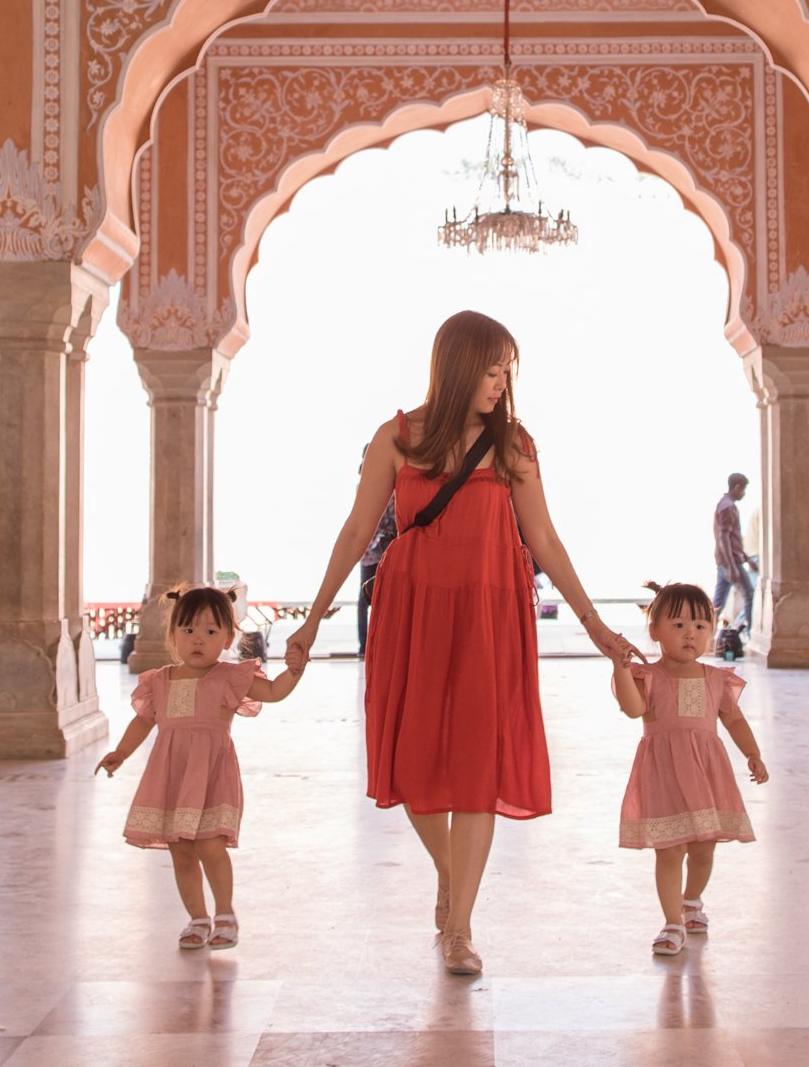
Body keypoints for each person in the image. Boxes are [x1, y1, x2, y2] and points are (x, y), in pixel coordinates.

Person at [284, 309, 640, 981]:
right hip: (410, 609)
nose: (501, 383)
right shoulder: (397, 438)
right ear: (455, 365)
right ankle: (451, 876)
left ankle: (459, 926)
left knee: (477, 766)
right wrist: (311, 619)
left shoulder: (514, 445)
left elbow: (545, 539)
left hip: (489, 613)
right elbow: (358, 529)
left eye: (508, 370)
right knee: (416, 766)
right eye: (490, 367)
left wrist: (594, 624)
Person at [97, 584, 302, 949]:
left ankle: (225, 914)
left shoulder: (229, 677)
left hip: (211, 774)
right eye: (188, 630)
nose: (198, 640)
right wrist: (121, 752)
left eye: (210, 632)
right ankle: (197, 918)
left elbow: (272, 693)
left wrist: (294, 671)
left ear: (227, 638)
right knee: (181, 850)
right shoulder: (159, 681)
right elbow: (144, 721)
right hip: (171, 774)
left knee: (210, 845)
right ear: (172, 635)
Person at [614, 581, 768, 957]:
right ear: (654, 630)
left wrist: (753, 753)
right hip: (663, 773)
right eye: (679, 625)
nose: (690, 634)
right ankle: (671, 922)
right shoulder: (645, 676)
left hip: (705, 774)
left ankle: (692, 900)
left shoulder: (716, 679)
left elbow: (734, 721)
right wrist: (620, 668)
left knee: (703, 849)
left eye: (700, 627)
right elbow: (633, 710)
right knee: (669, 850)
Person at [712, 472, 756, 635]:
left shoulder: (723, 504)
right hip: (730, 562)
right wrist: (732, 567)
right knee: (750, 595)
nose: (743, 494)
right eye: (743, 490)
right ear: (737, 488)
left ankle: (708, 636)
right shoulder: (728, 507)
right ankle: (751, 634)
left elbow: (730, 539)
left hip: (726, 560)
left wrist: (746, 558)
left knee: (717, 603)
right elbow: (724, 538)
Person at [356, 496, 396, 661]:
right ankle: (369, 645)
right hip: (377, 554)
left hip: (376, 553)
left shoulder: (365, 497)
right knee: (370, 600)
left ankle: (368, 646)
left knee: (369, 600)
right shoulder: (390, 496)